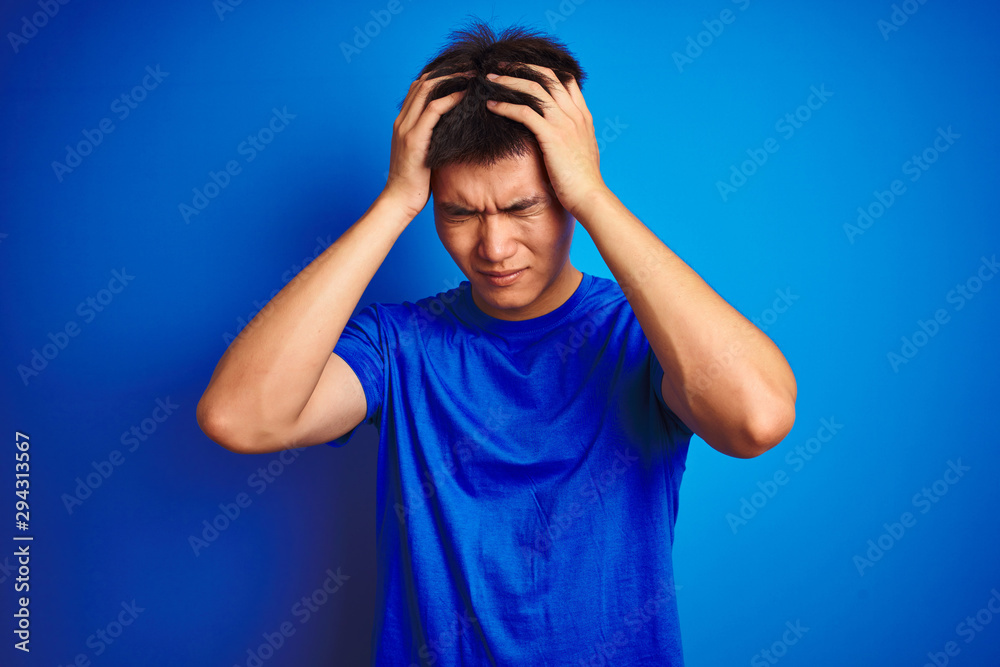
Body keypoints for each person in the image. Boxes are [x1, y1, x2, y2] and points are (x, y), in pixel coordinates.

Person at [196, 19, 797, 666]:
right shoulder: (399, 345)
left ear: (565, 193)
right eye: (459, 213)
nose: (493, 248)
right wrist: (395, 202)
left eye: (522, 207)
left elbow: (756, 418)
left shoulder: (643, 336)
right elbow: (241, 417)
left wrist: (594, 194)